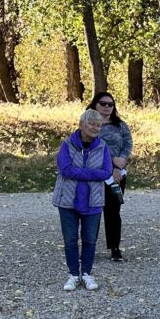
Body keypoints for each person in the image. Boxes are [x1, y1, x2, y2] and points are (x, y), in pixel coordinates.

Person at [52, 109, 111, 291]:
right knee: (70, 239)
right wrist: (92, 174)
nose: (95, 128)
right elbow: (65, 170)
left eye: (98, 125)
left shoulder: (103, 147)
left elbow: (107, 172)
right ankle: (73, 274)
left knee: (90, 239)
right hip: (67, 200)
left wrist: (82, 173)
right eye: (92, 124)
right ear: (82, 125)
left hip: (93, 200)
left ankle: (86, 273)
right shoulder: (67, 144)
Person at [88, 92, 132, 261]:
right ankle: (89, 246)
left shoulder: (120, 125)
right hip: (96, 174)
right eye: (103, 104)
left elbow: (128, 144)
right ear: (95, 105)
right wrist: (110, 165)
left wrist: (119, 163)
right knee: (93, 211)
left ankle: (115, 247)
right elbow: (88, 147)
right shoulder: (89, 124)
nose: (107, 107)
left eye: (110, 104)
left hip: (118, 175)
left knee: (113, 211)